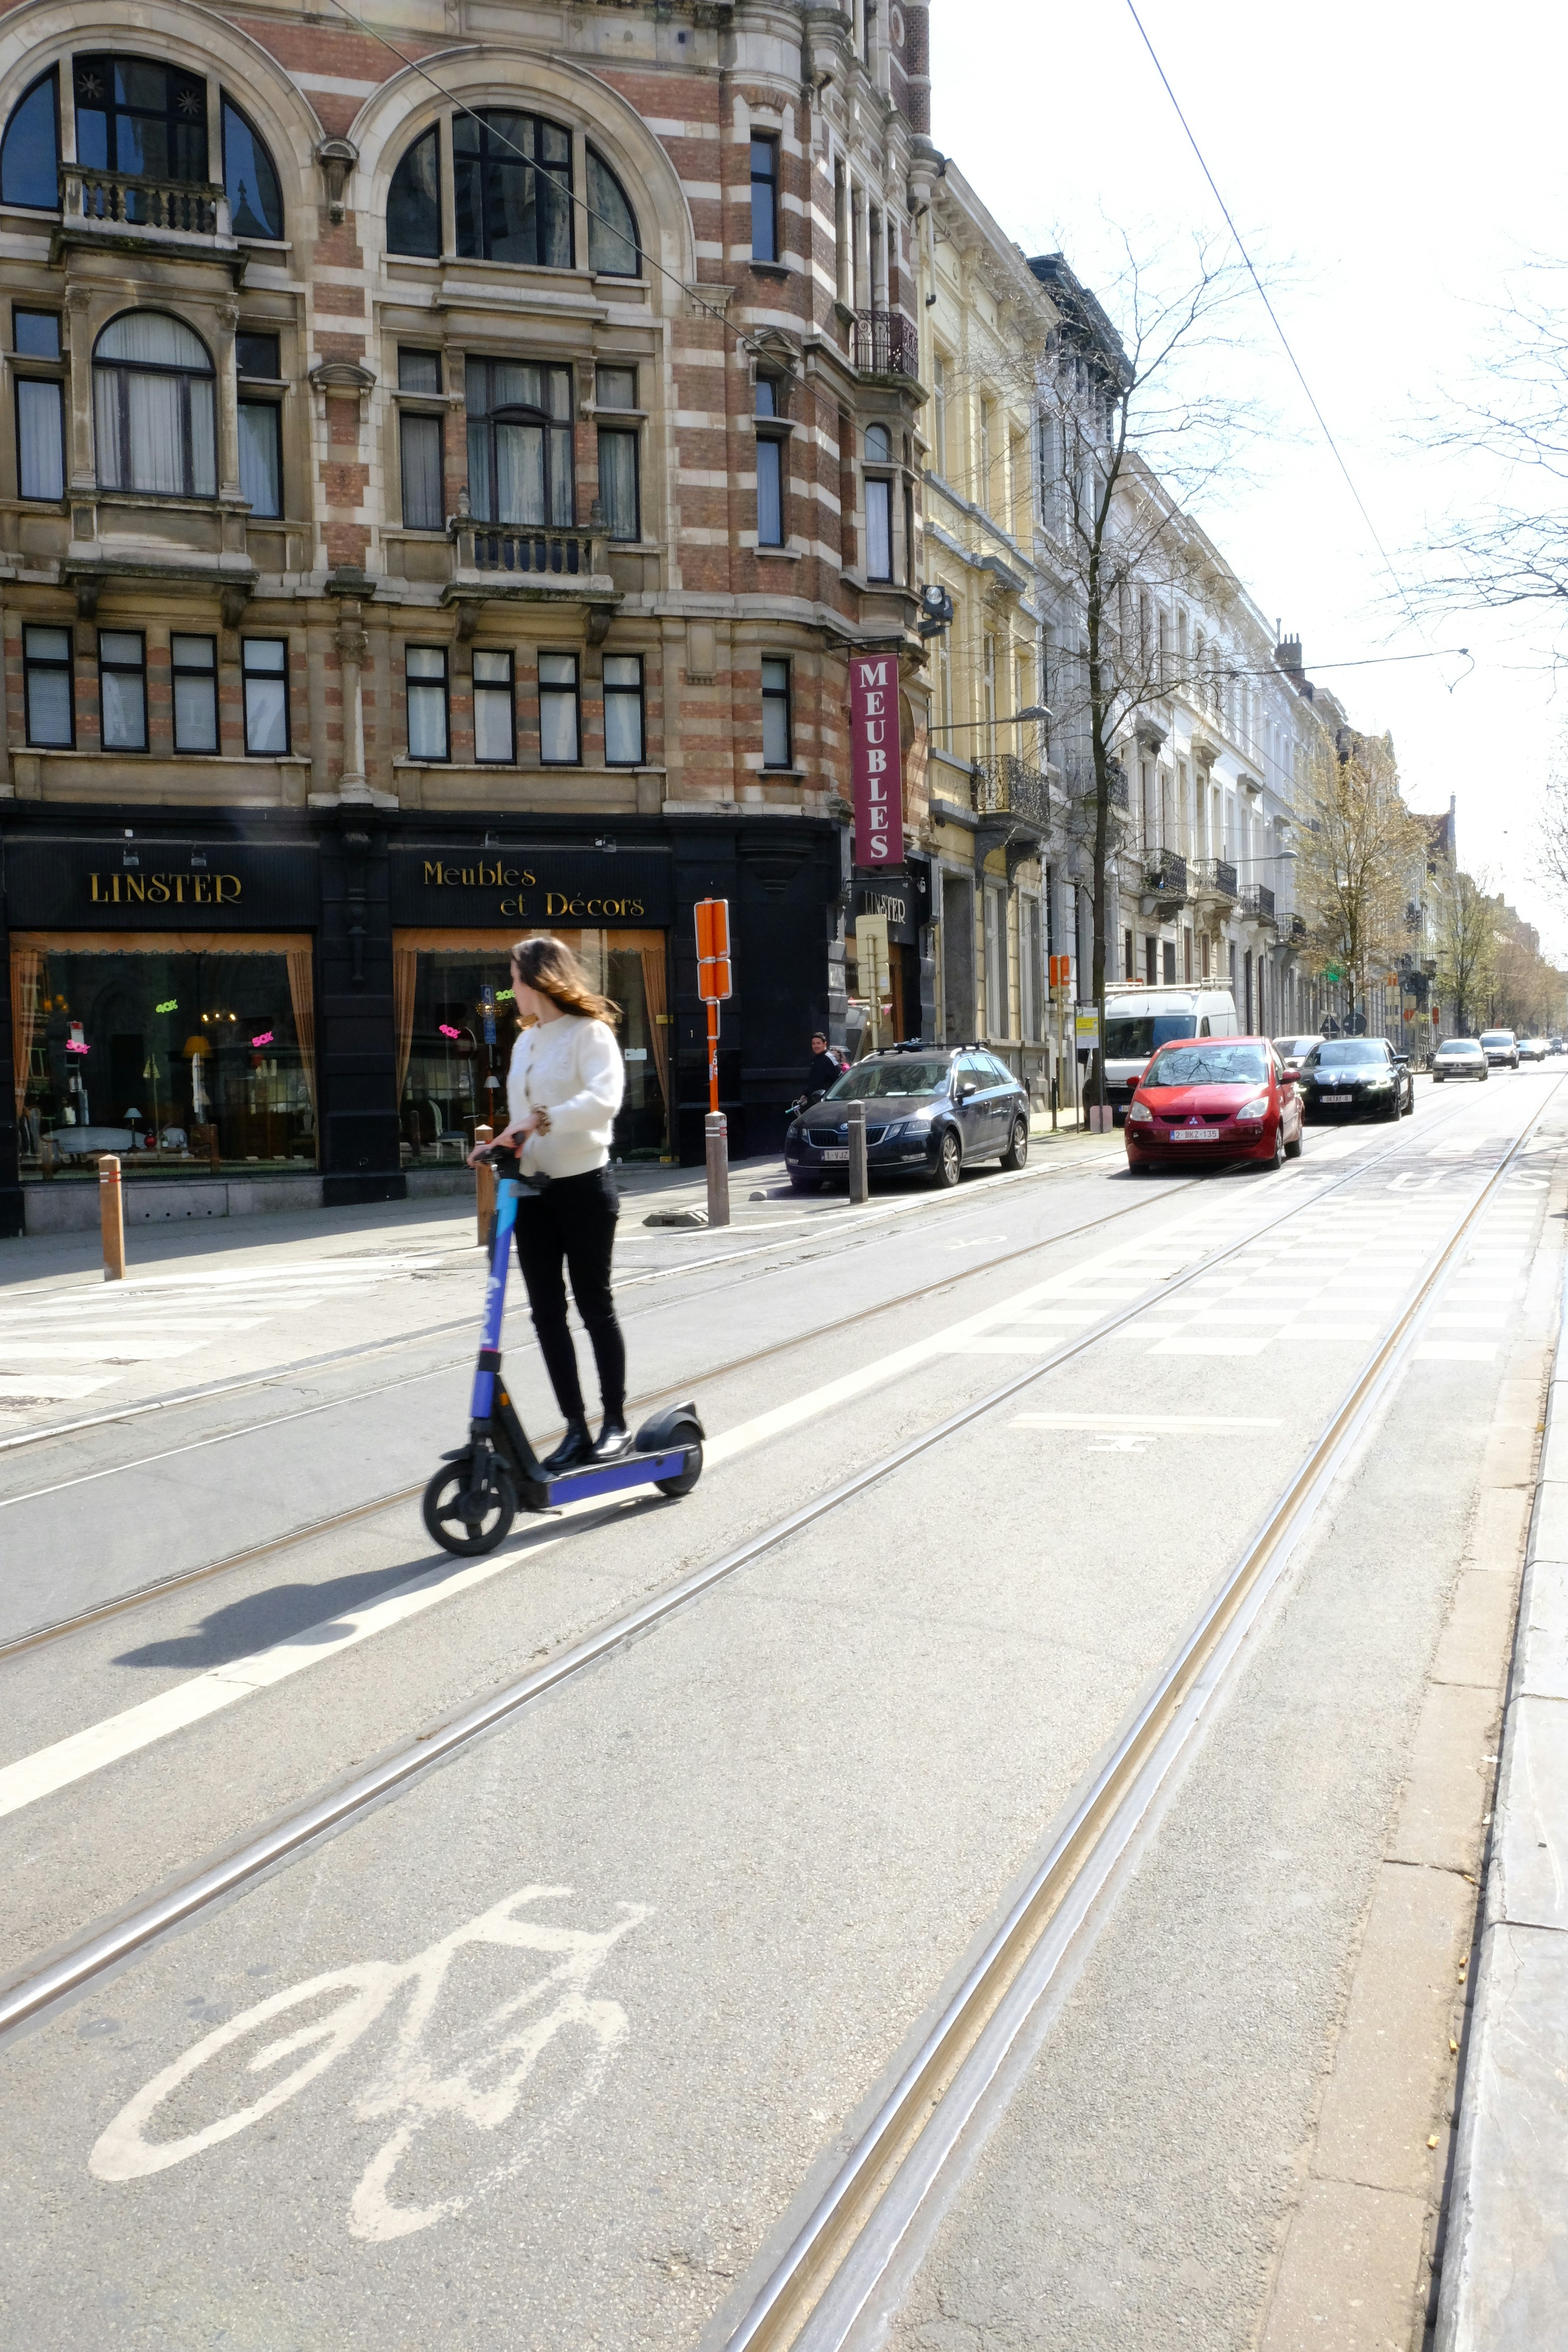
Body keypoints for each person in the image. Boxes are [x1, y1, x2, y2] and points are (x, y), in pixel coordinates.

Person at [468, 936, 629, 1471]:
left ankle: (614, 1424)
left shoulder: (591, 1034)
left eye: (514, 977)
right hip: (531, 1194)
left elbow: (605, 1102)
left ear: (538, 978)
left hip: (584, 1187)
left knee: (593, 1306)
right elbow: (521, 1123)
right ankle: (576, 1429)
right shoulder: (526, 1043)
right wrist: (496, 1147)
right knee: (546, 1315)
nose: (510, 988)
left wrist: (542, 1118)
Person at [802, 1028, 843, 1104]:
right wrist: (806, 1094)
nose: (815, 1046)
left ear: (825, 1044)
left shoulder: (829, 1057)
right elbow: (814, 1080)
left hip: (826, 1100)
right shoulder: (815, 1059)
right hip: (815, 1099)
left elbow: (839, 1076)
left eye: (818, 1043)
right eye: (813, 1044)